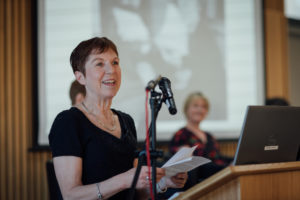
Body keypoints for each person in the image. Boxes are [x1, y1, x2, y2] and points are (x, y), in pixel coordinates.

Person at [48, 37, 187, 200]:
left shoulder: (126, 121)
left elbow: (137, 193)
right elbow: (71, 195)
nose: (111, 70)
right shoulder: (68, 122)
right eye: (100, 64)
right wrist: (124, 180)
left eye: (115, 62)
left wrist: (164, 182)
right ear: (80, 77)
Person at [168, 92, 231, 189]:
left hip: (219, 180)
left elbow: (219, 157)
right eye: (195, 106)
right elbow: (191, 166)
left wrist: (235, 161)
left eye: (204, 107)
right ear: (186, 109)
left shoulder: (209, 136)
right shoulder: (181, 135)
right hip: (198, 186)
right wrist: (226, 168)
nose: (200, 110)